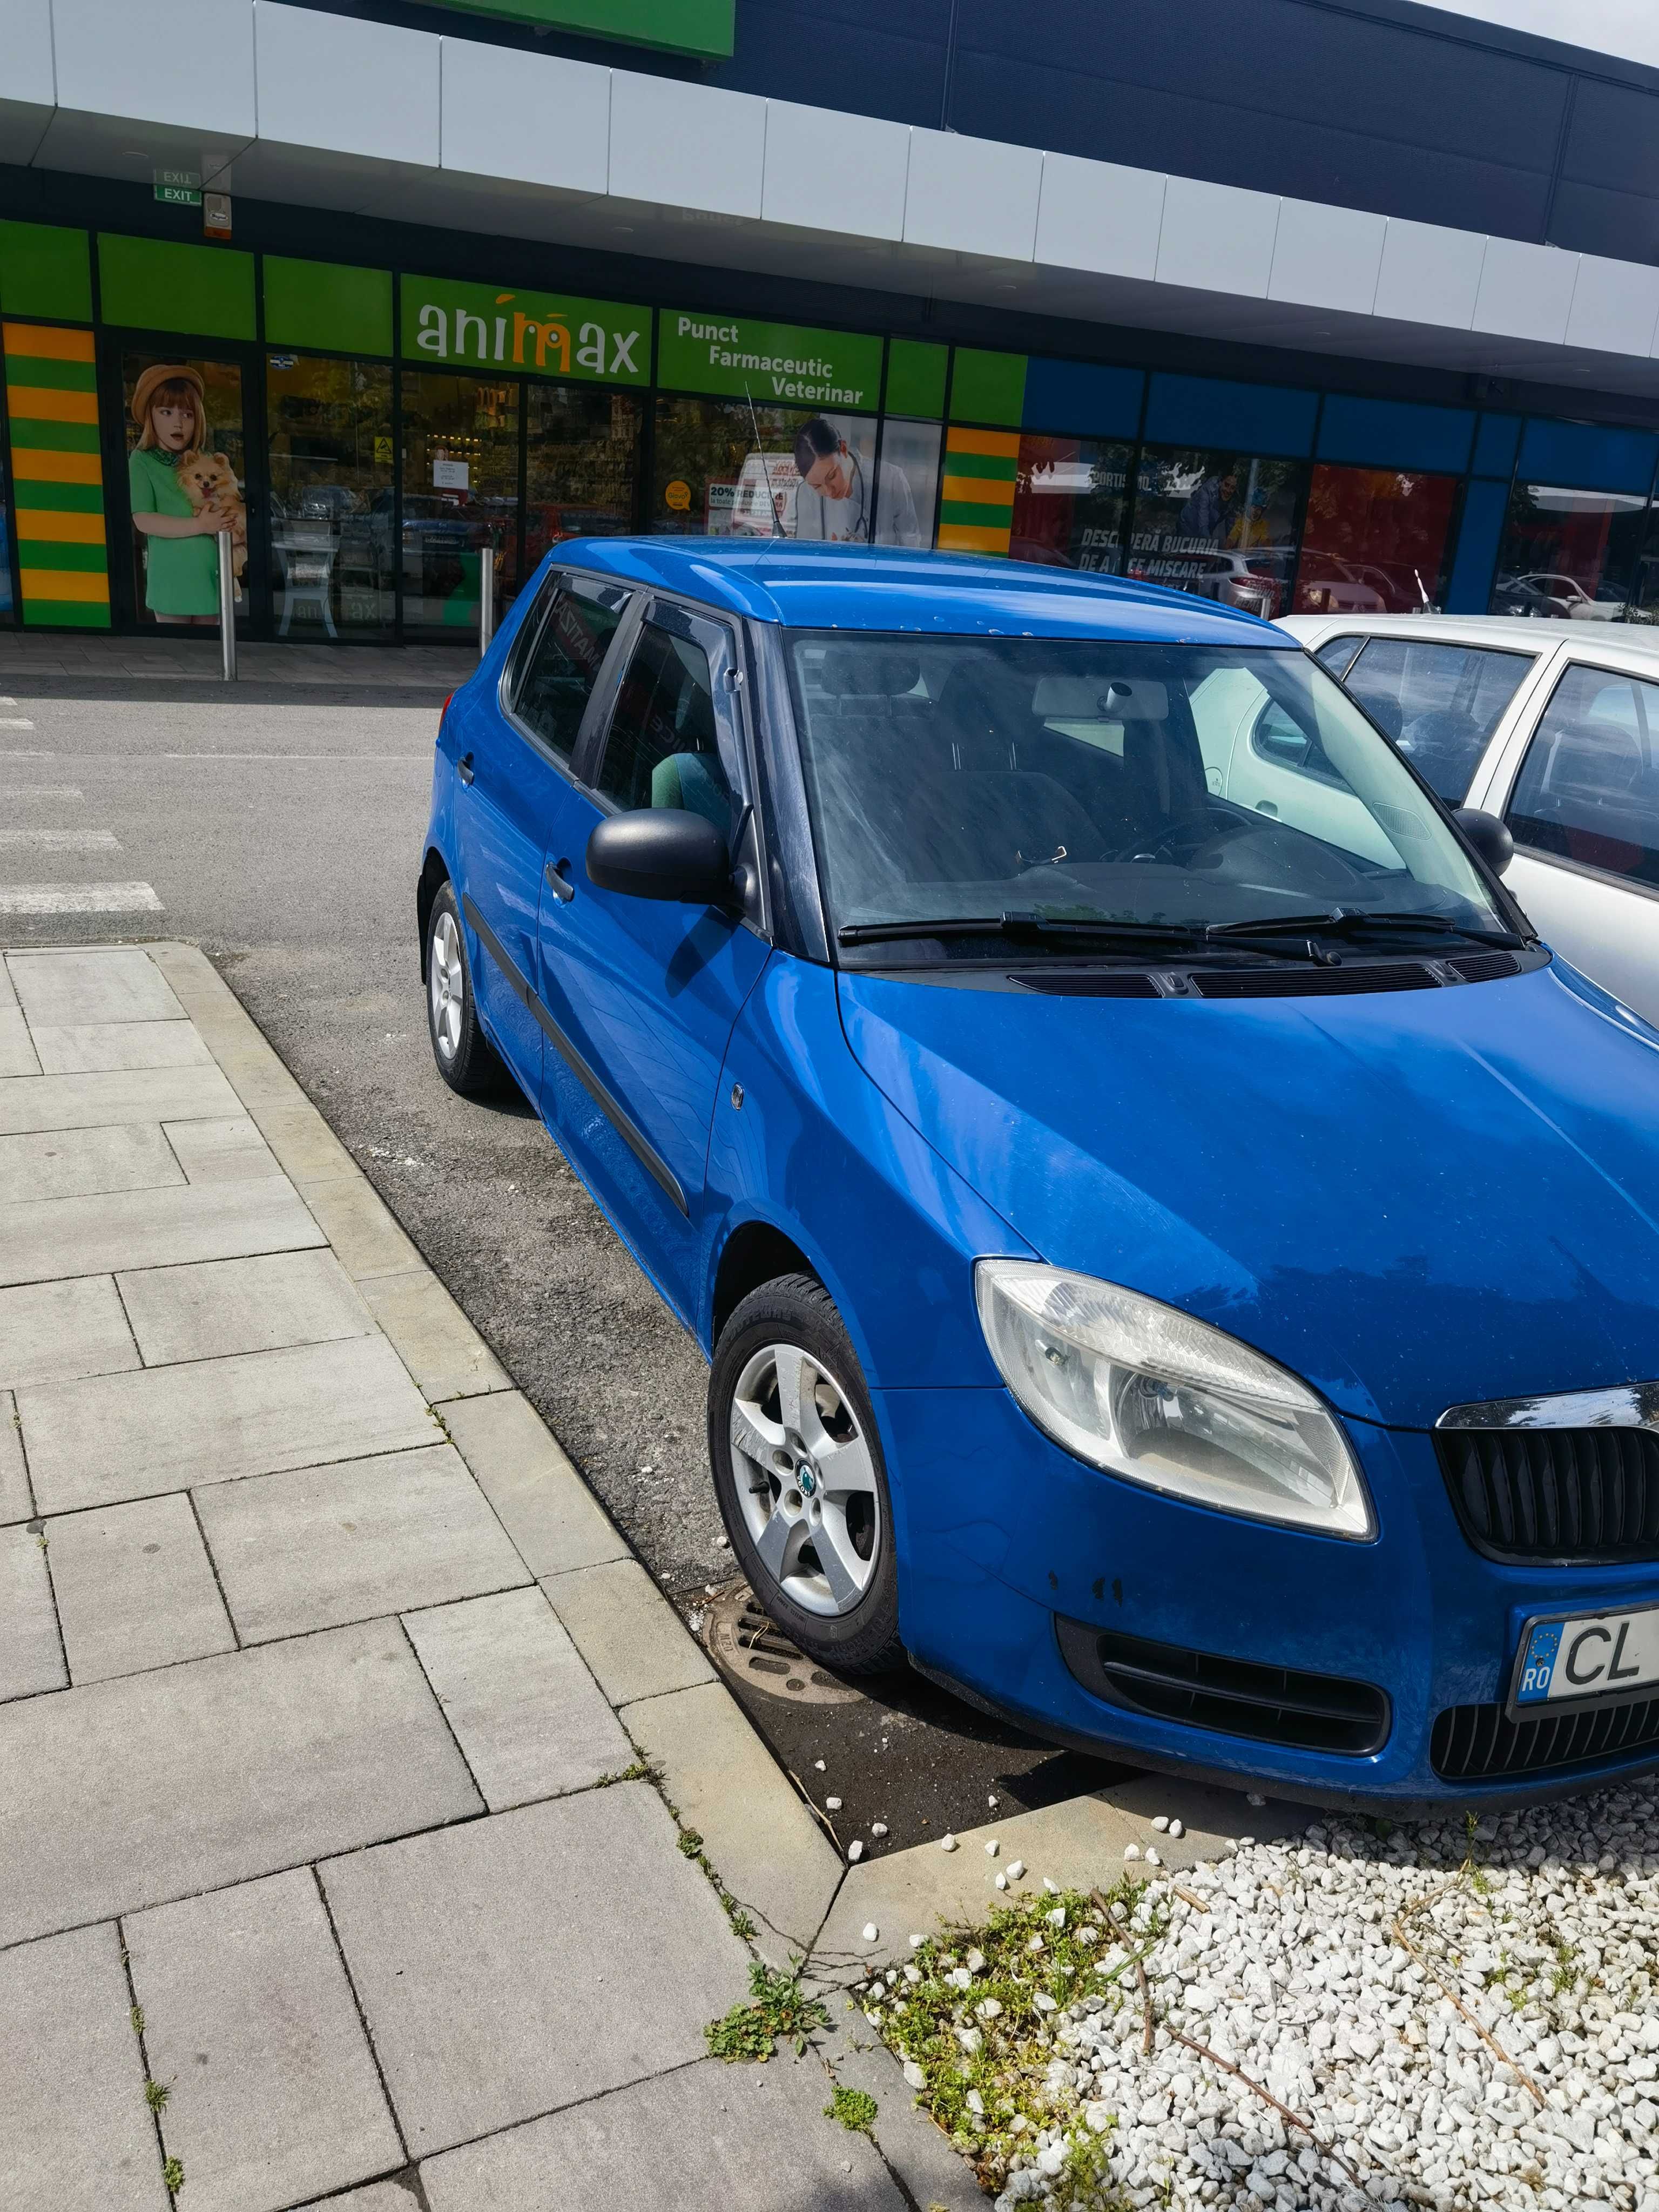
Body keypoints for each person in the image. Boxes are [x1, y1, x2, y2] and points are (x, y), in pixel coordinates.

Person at [127, 365, 239, 626]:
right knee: (176, 655)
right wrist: (200, 525)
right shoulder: (142, 460)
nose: (178, 422)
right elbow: (143, 519)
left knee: (212, 654)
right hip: (171, 577)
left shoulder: (207, 462)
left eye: (187, 414)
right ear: (150, 417)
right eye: (166, 412)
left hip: (210, 574)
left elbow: (231, 511)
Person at [791, 417, 922, 545]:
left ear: (843, 449)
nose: (830, 492)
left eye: (832, 476)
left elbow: (910, 542)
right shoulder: (806, 493)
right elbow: (807, 550)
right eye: (817, 486)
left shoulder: (891, 479)